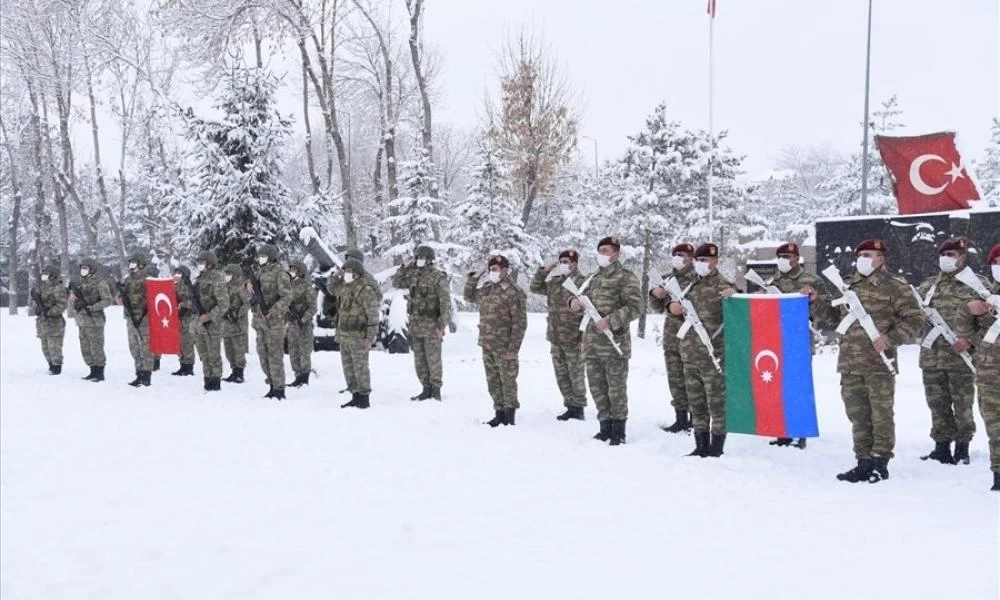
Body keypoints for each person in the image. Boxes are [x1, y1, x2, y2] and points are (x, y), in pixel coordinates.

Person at [831, 239, 923, 484]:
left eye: (868, 254)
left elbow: (915, 320)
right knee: (858, 415)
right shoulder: (849, 286)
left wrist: (890, 338)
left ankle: (880, 463)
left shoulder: (896, 287)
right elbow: (832, 315)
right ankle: (862, 461)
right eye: (860, 254)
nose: (862, 258)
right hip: (850, 363)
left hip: (879, 364)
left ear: (881, 258)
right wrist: (812, 301)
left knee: (880, 415)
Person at [756, 241, 832, 448]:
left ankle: (799, 432)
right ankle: (782, 431)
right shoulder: (772, 281)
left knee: (798, 387)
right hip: (774, 340)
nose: (783, 260)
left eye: (787, 257)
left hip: (798, 339)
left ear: (797, 259)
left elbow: (828, 311)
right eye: (780, 257)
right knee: (778, 386)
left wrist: (812, 300)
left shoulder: (811, 280)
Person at [915, 238, 984, 465]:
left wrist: (970, 341)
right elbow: (909, 314)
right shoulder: (928, 286)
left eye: (952, 255)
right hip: (932, 357)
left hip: (961, 359)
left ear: (962, 257)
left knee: (962, 405)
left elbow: (991, 322)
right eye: (944, 254)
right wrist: (919, 316)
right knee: (937, 404)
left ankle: (962, 448)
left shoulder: (977, 285)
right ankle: (941, 447)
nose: (946, 258)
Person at [569, 236, 642, 445]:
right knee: (597, 388)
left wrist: (611, 320)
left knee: (616, 389)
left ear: (617, 253)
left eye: (607, 250)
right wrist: (573, 303)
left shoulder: (625, 278)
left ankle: (618, 431)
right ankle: (604, 427)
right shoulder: (593, 278)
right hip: (592, 344)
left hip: (613, 345)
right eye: (600, 250)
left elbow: (635, 307)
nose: (602, 254)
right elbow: (579, 299)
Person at [669, 242, 736, 457]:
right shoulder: (689, 285)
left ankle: (717, 447)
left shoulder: (723, 286)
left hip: (713, 356)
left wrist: (734, 295)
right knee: (696, 403)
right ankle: (700, 444)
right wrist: (673, 308)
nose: (699, 264)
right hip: (689, 354)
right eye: (697, 260)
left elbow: (738, 313)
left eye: (704, 260)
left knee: (716, 404)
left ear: (715, 262)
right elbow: (675, 313)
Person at [464, 254, 528, 427]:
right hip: (487, 343)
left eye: (495, 270)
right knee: (493, 381)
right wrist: (475, 277)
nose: (491, 272)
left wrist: (513, 349)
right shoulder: (487, 288)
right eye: (490, 269)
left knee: (507, 381)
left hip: (505, 345)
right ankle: (498, 412)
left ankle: (509, 415)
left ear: (505, 271)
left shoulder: (514, 292)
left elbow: (520, 324)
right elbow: (468, 296)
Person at [956, 243, 1000, 491]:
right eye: (995, 263)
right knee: (995, 427)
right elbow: (964, 333)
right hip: (989, 374)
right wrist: (967, 311)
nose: (998, 267)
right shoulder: (983, 294)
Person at [529, 249, 588, 420]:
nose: (563, 264)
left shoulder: (584, 283)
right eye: (561, 261)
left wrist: (583, 338)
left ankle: (579, 408)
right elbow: (534, 287)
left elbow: (589, 313)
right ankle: (569, 405)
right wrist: (545, 270)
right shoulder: (555, 282)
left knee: (576, 374)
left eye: (567, 262)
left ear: (575, 264)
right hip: (555, 336)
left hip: (574, 337)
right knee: (561, 374)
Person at [392, 245, 451, 401]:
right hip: (416, 325)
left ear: (430, 260)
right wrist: (404, 267)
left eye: (422, 258)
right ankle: (425, 388)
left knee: (433, 360)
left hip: (432, 326)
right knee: (420, 360)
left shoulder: (438, 277)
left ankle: (436, 389)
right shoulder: (413, 275)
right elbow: (397, 282)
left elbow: (445, 303)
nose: (419, 260)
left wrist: (441, 325)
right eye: (417, 257)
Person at [649, 243, 697, 433]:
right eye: (676, 254)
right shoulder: (669, 278)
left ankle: (696, 419)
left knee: (692, 380)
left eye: (683, 254)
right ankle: (680, 418)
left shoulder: (697, 279)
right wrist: (655, 294)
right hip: (671, 337)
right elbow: (658, 308)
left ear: (691, 258)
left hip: (692, 339)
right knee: (676, 379)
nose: (678, 257)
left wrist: (681, 307)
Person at [248, 243, 292, 399]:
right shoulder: (259, 273)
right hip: (261, 321)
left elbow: (287, 296)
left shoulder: (280, 274)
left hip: (274, 322)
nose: (260, 259)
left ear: (271, 257)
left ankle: (279, 389)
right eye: (260, 256)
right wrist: (250, 291)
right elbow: (254, 299)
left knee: (275, 355)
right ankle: (272, 384)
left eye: (264, 256)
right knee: (263, 354)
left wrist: (273, 311)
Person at [337, 258, 381, 409]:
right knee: (348, 368)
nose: (346, 274)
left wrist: (369, 338)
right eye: (345, 271)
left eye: (349, 271)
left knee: (360, 368)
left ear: (356, 273)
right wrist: (335, 276)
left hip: (359, 337)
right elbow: (331, 289)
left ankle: (363, 398)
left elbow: (374, 316)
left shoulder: (365, 290)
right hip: (345, 336)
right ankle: (354, 395)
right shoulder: (345, 288)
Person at [69, 258, 113, 382]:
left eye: (86, 268)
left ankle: (99, 373)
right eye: (82, 268)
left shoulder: (100, 283)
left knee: (96, 346)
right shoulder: (81, 283)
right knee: (85, 347)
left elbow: (108, 300)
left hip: (95, 321)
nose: (83, 270)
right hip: (82, 321)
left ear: (92, 269)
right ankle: (92, 371)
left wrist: (93, 307)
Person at [192, 251, 230, 391]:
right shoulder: (199, 279)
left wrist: (209, 316)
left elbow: (224, 304)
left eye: (202, 262)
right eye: (199, 262)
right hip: (199, 323)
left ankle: (215, 381)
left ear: (209, 263)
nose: (200, 265)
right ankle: (207, 378)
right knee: (204, 354)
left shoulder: (217, 278)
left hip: (212, 324)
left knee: (213, 354)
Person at [119, 250, 155, 387]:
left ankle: (146, 375)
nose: (132, 265)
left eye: (135, 263)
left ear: (141, 264)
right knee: (134, 347)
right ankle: (138, 373)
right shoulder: (129, 279)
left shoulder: (149, 278)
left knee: (145, 348)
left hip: (144, 319)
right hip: (131, 319)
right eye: (131, 263)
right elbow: (122, 295)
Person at [30, 264, 68, 375]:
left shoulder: (59, 288)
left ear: (53, 276)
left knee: (54, 347)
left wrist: (49, 311)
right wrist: (36, 307)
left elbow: (61, 305)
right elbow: (34, 301)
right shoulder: (43, 287)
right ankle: (51, 365)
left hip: (54, 323)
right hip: (43, 322)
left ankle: (56, 368)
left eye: (47, 274)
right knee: (45, 347)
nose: (44, 276)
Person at [286, 260, 317, 387]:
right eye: (291, 269)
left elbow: (313, 308)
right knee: (293, 352)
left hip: (304, 326)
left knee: (304, 352)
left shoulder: (307, 287)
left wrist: (303, 319)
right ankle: (297, 376)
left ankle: (304, 378)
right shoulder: (288, 286)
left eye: (294, 269)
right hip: (292, 325)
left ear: (300, 271)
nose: (291, 271)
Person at [221, 264, 250, 384]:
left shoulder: (240, 288)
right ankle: (234, 372)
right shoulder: (224, 287)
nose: (226, 276)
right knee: (229, 352)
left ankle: (239, 374)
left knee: (238, 351)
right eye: (226, 274)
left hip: (238, 326)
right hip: (226, 326)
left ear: (235, 275)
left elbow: (247, 304)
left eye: (229, 274)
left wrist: (236, 313)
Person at [171, 265, 197, 377]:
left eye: (179, 273)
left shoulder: (188, 287)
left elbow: (194, 303)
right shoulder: (174, 286)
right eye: (175, 272)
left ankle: (189, 367)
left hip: (187, 318)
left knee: (187, 343)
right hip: (177, 319)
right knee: (180, 343)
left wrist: (182, 304)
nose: (176, 275)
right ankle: (182, 365)